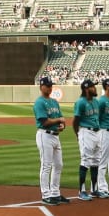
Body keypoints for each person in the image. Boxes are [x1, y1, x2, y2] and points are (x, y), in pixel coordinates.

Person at [34, 75, 68, 205]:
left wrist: (62, 125)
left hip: (55, 136)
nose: (50, 87)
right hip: (45, 135)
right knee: (46, 165)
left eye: (51, 85)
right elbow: (45, 121)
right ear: (41, 87)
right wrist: (59, 120)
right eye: (47, 86)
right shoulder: (39, 102)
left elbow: (60, 118)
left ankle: (55, 193)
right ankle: (45, 194)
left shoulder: (54, 102)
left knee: (58, 165)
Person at [71, 78, 101, 200]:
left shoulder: (96, 102)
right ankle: (82, 191)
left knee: (96, 161)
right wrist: (78, 135)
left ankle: (95, 189)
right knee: (85, 160)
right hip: (85, 132)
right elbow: (75, 121)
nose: (95, 88)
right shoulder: (81, 102)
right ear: (86, 89)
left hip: (96, 132)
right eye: (93, 86)